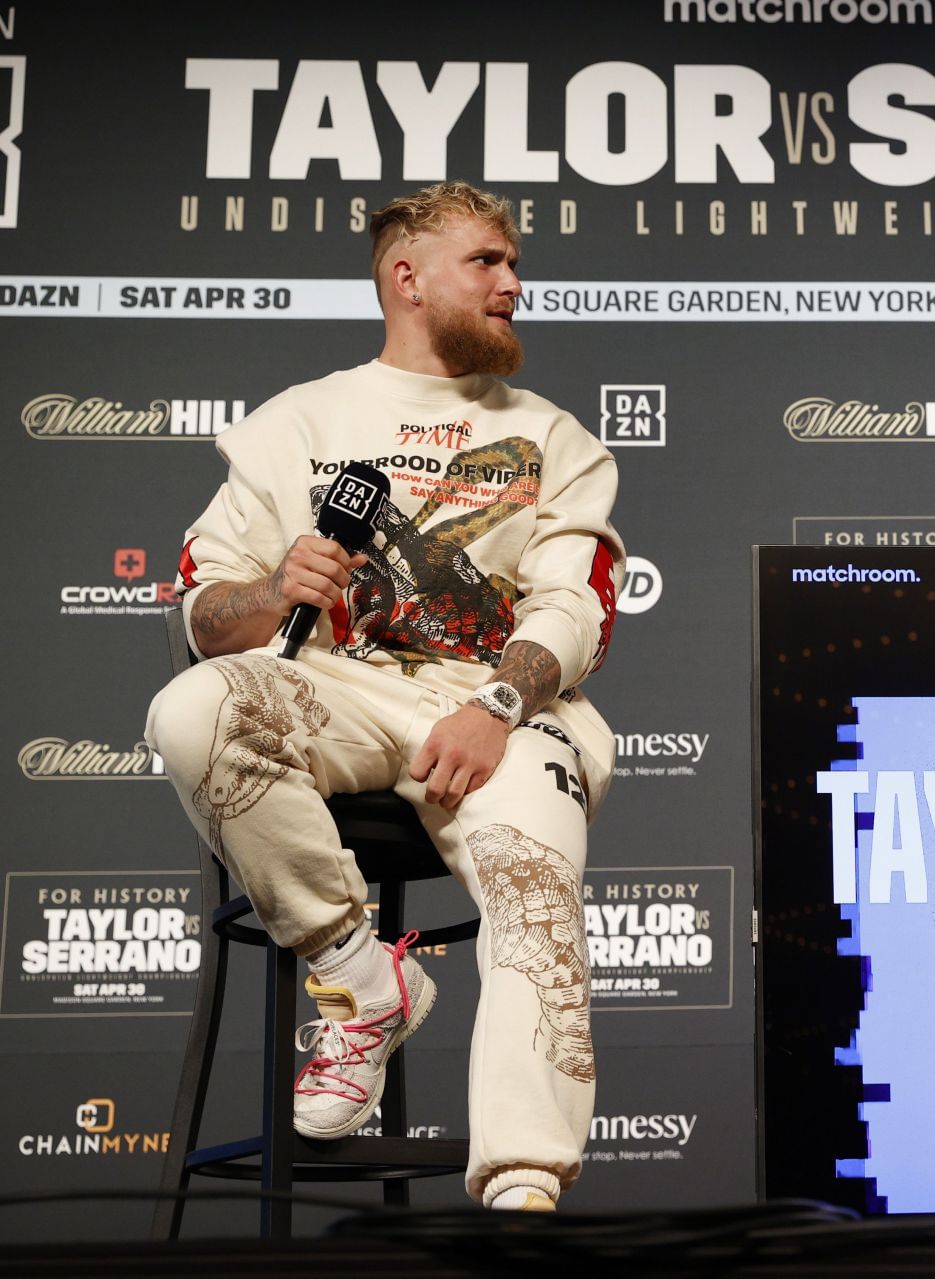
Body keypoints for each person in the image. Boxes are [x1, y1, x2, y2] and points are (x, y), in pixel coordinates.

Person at [147, 181, 624, 1213]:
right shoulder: (294, 424)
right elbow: (198, 612)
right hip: (333, 695)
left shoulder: (551, 436)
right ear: (407, 278)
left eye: (513, 264)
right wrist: (275, 588)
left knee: (533, 891)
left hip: (497, 710)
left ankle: (524, 1194)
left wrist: (496, 705)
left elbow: (578, 608)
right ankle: (363, 972)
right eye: (487, 262)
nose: (512, 284)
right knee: (191, 709)